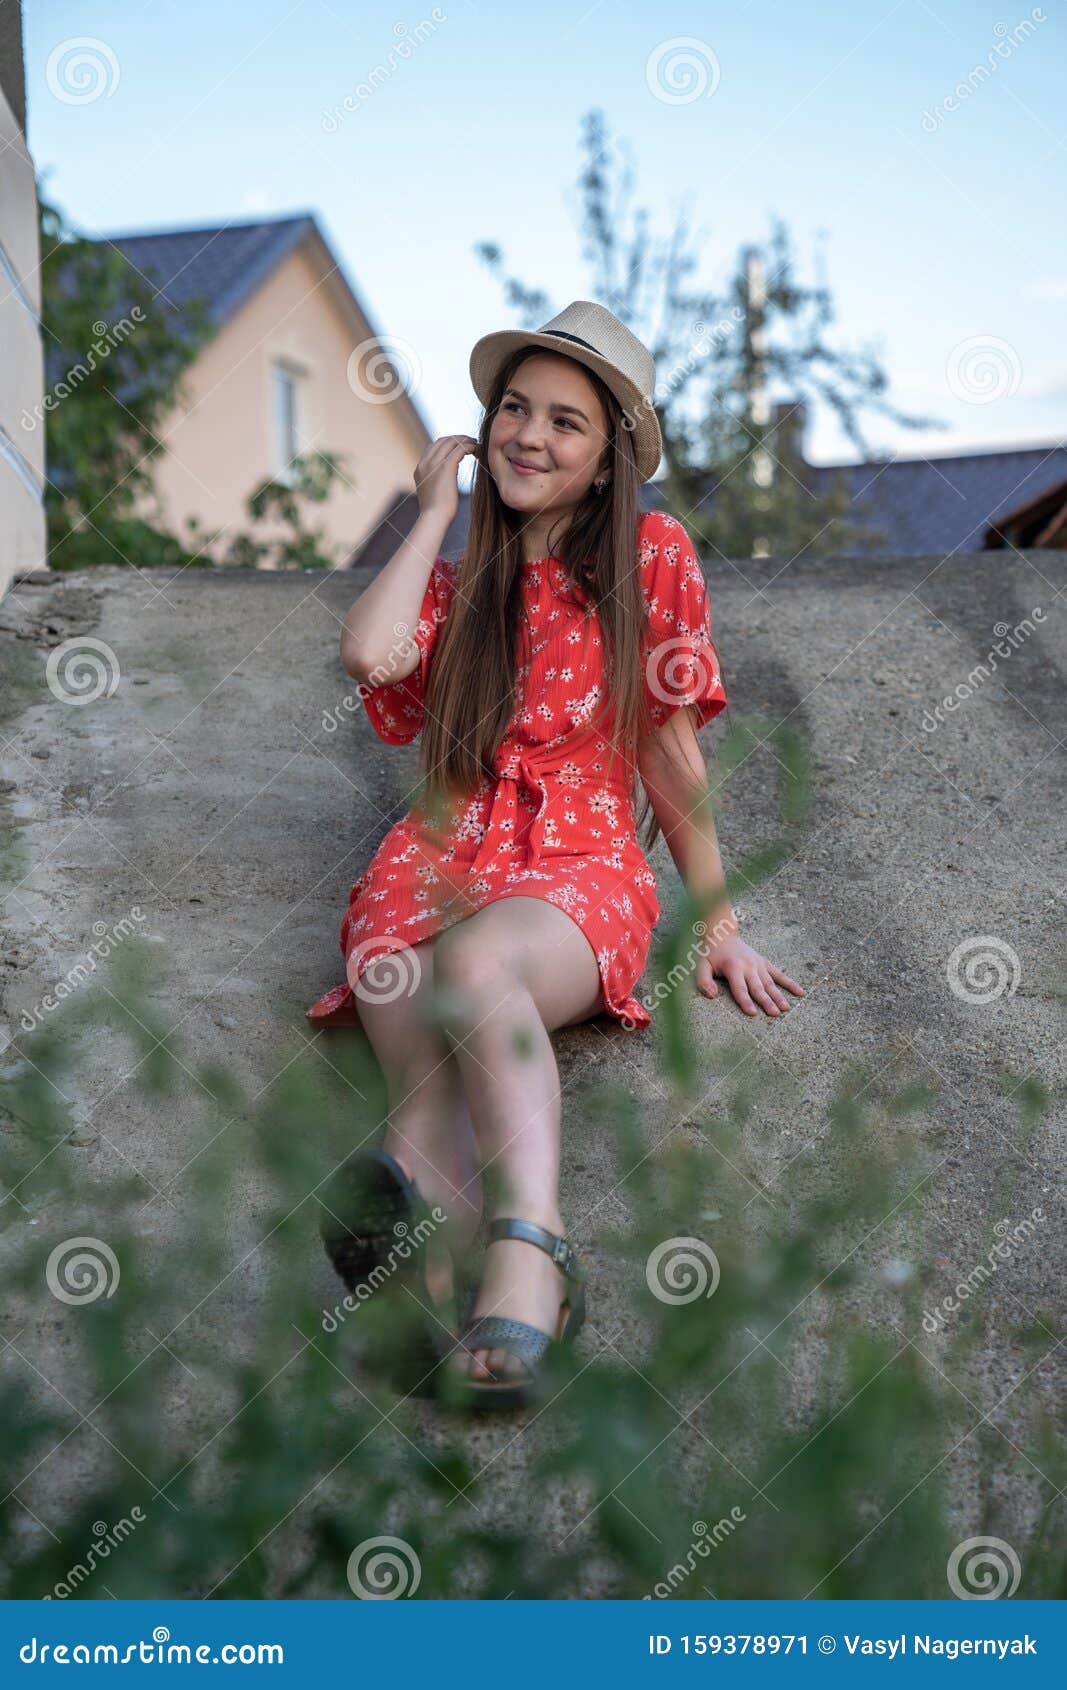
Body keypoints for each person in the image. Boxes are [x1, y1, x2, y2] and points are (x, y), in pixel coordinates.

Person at [307, 301, 804, 1410]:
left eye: (564, 423)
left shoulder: (649, 554)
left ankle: (532, 1250)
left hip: (574, 860)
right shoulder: (457, 585)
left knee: (478, 967)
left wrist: (716, 922)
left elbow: (667, 752)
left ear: (605, 458)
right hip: (433, 852)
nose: (528, 436)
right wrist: (435, 509)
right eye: (513, 410)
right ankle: (422, 1287)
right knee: (415, 1045)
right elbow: (366, 651)